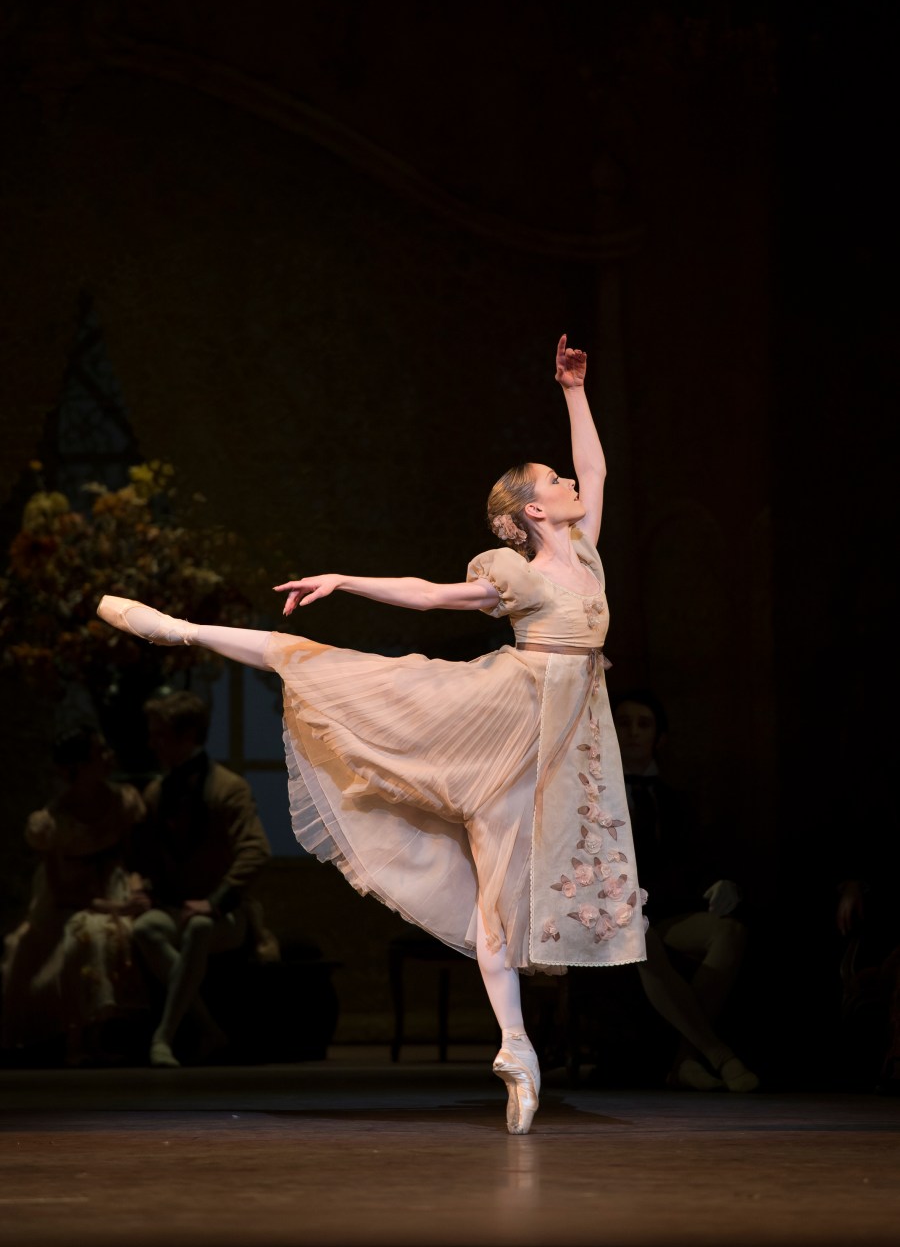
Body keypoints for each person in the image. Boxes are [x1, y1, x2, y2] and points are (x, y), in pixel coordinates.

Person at [95, 335, 743, 1132]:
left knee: (500, 900)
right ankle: (186, 631)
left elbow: (600, 470)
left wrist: (573, 391)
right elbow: (432, 597)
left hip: (562, 743)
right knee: (335, 670)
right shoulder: (517, 575)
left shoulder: (583, 550)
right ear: (532, 509)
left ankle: (515, 1052)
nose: (572, 482)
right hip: (502, 716)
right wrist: (344, 578)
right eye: (555, 481)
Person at [612, 689, 759, 1092]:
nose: (633, 732)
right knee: (636, 933)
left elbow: (698, 858)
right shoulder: (586, 793)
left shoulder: (676, 799)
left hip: (665, 909)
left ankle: (685, 1061)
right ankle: (719, 1055)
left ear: (660, 736)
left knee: (730, 931)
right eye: (623, 722)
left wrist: (721, 882)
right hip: (608, 915)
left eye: (644, 724)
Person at [129, 690, 273, 1067]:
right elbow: (143, 858)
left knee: (199, 928)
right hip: (175, 907)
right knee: (145, 928)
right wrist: (142, 889)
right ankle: (209, 1029)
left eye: (160, 734)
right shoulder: (157, 791)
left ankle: (163, 1037)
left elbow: (256, 850)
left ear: (187, 734)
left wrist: (214, 900)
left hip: (225, 913)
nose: (152, 743)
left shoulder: (228, 788)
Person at [1, 726, 147, 1066]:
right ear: (79, 766)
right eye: (99, 753)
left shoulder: (122, 801)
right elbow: (61, 890)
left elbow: (133, 857)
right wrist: (113, 906)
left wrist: (135, 893)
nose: (109, 757)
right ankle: (76, 1037)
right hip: (70, 896)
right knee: (82, 932)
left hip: (115, 882)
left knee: (117, 932)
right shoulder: (51, 821)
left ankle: (103, 1035)